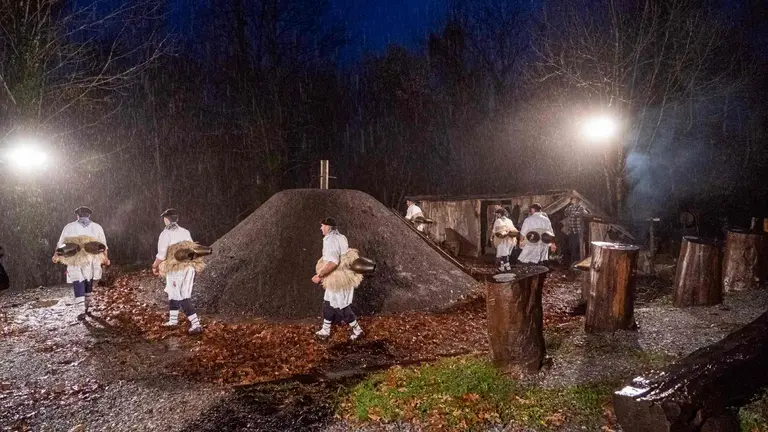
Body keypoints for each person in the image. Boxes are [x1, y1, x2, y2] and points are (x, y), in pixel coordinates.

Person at [312, 217, 364, 341]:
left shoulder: (330, 240)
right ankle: (325, 329)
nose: (321, 228)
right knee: (328, 303)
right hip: (343, 277)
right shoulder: (342, 237)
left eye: (322, 226)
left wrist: (319, 275)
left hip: (339, 280)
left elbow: (333, 262)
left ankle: (357, 330)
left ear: (328, 228)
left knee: (342, 306)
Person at [152, 208, 203, 335]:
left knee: (181, 297)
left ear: (166, 220)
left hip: (176, 269)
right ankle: (173, 321)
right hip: (189, 267)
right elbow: (192, 249)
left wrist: (155, 266)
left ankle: (196, 324)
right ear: (177, 219)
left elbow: (162, 254)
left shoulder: (165, 234)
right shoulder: (185, 232)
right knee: (174, 293)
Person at [52, 206, 109, 318]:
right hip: (91, 258)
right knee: (88, 281)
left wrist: (55, 256)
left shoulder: (69, 227)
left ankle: (81, 310)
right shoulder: (97, 227)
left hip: (74, 257)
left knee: (78, 281)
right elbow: (103, 246)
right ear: (89, 215)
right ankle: (85, 308)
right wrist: (106, 259)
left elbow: (61, 244)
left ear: (77, 215)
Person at [564, 195, 589, 265]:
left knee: (578, 248)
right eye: (572, 200)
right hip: (571, 230)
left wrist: (578, 214)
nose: (572, 201)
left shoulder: (581, 207)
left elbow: (585, 214)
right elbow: (565, 213)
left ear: (577, 200)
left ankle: (577, 263)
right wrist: (570, 213)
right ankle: (572, 262)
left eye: (574, 200)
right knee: (571, 247)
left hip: (579, 231)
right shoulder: (570, 207)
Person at [491, 208, 518, 272]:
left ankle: (508, 268)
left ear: (499, 214)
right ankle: (502, 268)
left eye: (497, 214)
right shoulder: (509, 220)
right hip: (510, 240)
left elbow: (494, 230)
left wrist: (491, 237)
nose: (497, 215)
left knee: (504, 255)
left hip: (502, 239)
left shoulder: (498, 221)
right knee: (504, 254)